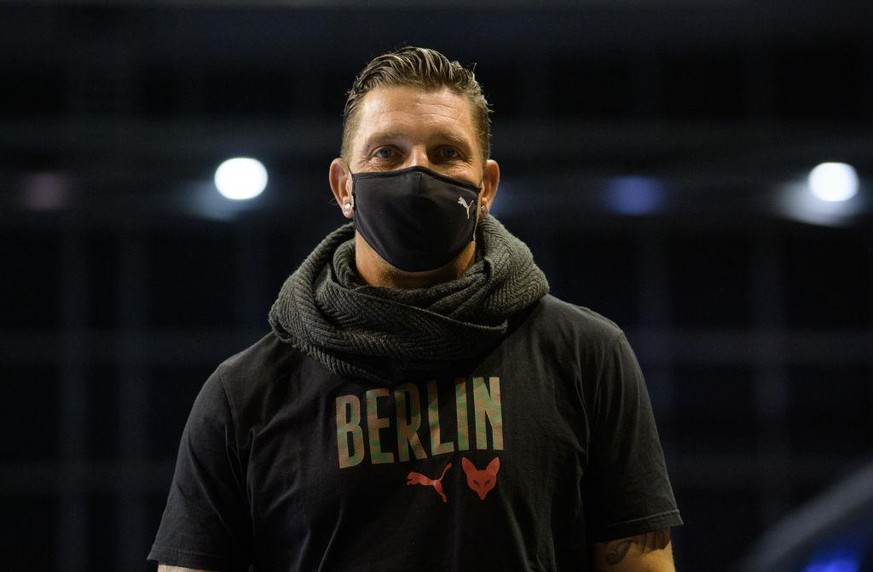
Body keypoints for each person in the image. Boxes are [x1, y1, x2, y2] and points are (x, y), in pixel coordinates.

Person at [148, 46, 682, 572]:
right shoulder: (245, 394)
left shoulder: (584, 356)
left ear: (486, 186)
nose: (416, 173)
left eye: (447, 152)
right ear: (343, 188)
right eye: (387, 153)